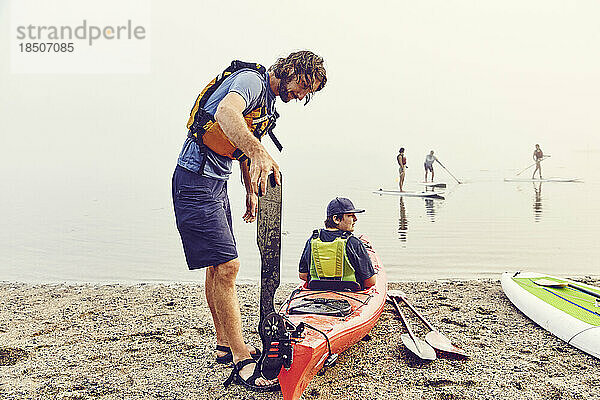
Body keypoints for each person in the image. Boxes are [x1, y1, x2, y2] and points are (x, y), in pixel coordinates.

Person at [172, 51, 326, 392]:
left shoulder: (267, 104)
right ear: (289, 70)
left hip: (213, 181)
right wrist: (258, 153)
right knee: (228, 267)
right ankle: (243, 357)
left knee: (218, 268)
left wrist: (250, 190)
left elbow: (240, 143)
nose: (302, 95)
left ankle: (225, 344)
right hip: (194, 180)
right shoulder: (251, 82)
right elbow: (225, 113)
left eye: (308, 93)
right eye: (303, 85)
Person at [298, 198, 376, 291]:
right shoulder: (353, 243)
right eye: (350, 215)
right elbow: (370, 281)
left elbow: (303, 275)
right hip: (350, 293)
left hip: (317, 290)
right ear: (336, 219)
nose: (355, 219)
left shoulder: (312, 240)